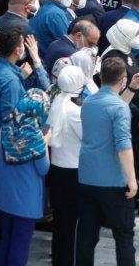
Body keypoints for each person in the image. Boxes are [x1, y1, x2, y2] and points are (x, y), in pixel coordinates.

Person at [76, 55, 138, 266]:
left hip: (87, 176)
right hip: (113, 180)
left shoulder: (89, 102)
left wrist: (131, 90)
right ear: (122, 79)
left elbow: (112, 108)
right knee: (124, 236)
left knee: (86, 236)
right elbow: (123, 145)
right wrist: (132, 179)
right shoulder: (119, 108)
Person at [0, 88, 51, 266]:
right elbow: (43, 169)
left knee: (6, 241)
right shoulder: (34, 132)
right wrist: (45, 141)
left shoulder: (7, 124)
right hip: (27, 199)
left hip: (6, 195)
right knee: (20, 245)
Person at [47, 64, 87, 266]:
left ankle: (59, 259)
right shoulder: (75, 111)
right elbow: (87, 137)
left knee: (61, 221)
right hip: (73, 172)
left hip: (57, 169)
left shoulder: (57, 102)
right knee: (71, 223)